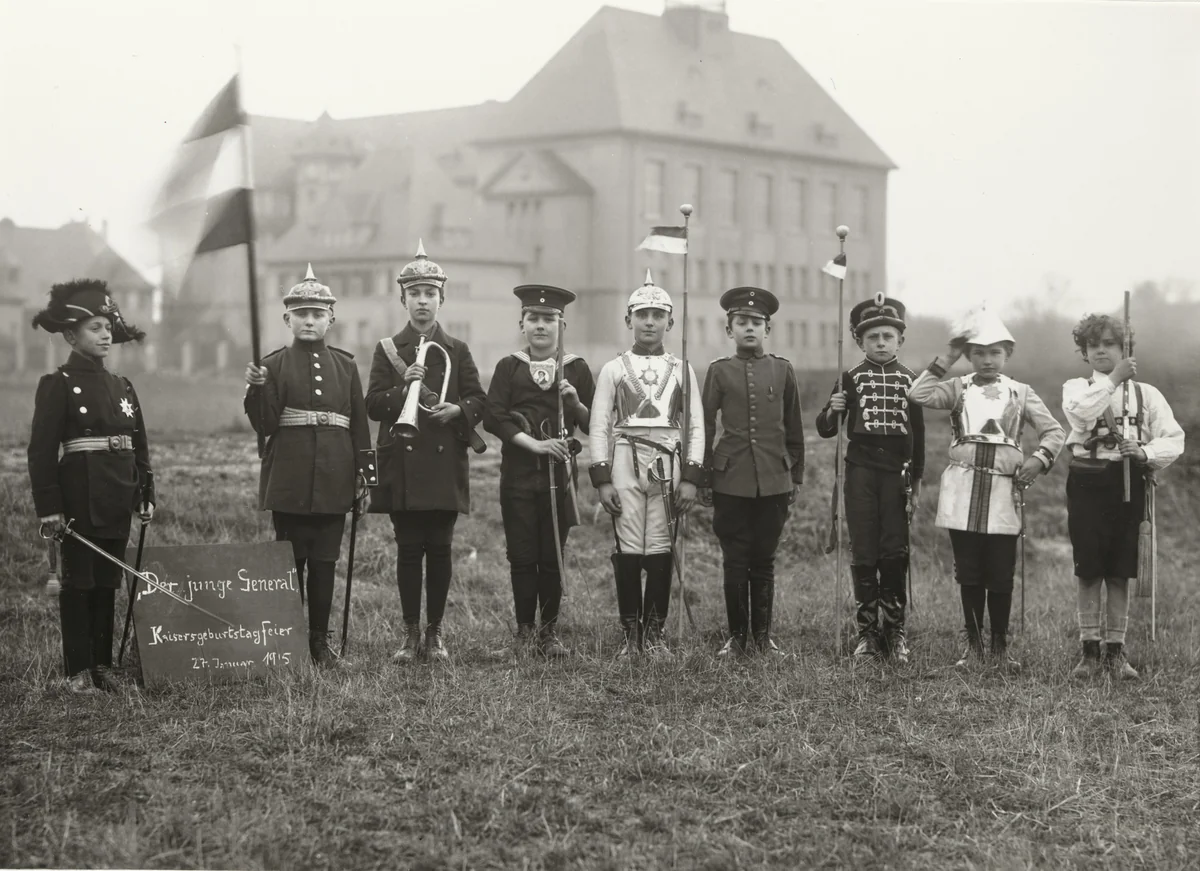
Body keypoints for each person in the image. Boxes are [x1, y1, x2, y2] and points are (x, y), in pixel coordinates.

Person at [908, 307, 1065, 671]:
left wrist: (1038, 459)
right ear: (968, 355)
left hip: (1003, 492)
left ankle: (1000, 647)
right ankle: (973, 645)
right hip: (963, 487)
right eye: (978, 351)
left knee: (1000, 570)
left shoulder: (1021, 392)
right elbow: (918, 394)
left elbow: (1054, 432)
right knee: (969, 570)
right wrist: (947, 356)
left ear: (1007, 354)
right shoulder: (957, 387)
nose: (987, 359)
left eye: (995, 351)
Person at [28, 279, 155, 693]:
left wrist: (145, 494)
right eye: (95, 328)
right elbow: (41, 451)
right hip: (79, 495)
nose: (105, 335)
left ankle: (103, 667)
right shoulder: (58, 384)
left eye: (107, 327)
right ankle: (78, 670)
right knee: (78, 582)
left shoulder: (123, 386)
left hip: (118, 493)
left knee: (107, 582)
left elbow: (140, 445)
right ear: (70, 335)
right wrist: (49, 506)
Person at [244, 265, 372, 668]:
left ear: (331, 319)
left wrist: (364, 477)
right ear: (287, 319)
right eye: (302, 314)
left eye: (318, 314)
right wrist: (256, 390)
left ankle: (320, 645)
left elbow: (359, 425)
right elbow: (265, 425)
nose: (310, 321)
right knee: (291, 564)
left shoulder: (346, 366)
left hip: (336, 476)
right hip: (291, 478)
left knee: (324, 563)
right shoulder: (272, 366)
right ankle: (289, 644)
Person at [366, 241, 487, 663]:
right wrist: (404, 388)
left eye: (430, 294)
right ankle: (409, 634)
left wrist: (458, 410)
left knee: (439, 550)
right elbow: (372, 404)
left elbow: (478, 398)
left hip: (443, 463)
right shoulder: (387, 350)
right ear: (403, 299)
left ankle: (435, 634)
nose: (423, 301)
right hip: (402, 461)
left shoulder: (458, 350)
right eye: (415, 293)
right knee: (407, 550)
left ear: (441, 299)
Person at [1061, 313, 1184, 680]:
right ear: (1084, 351)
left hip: (1129, 483)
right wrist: (1114, 379)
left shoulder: (1148, 394)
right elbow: (1081, 417)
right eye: (1093, 345)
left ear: (1125, 347)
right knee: (1089, 570)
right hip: (1087, 483)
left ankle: (1116, 652)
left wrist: (1144, 452)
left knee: (1119, 570)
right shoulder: (1075, 387)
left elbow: (1173, 439)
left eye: (1110, 344)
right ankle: (1088, 652)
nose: (1101, 350)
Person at [589, 270, 704, 657]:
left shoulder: (683, 368)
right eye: (642, 315)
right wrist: (602, 479)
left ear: (670, 321)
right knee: (627, 546)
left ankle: (654, 635)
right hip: (625, 459)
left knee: (659, 546)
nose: (650, 322)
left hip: (668, 462)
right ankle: (629, 634)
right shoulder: (613, 369)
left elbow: (696, 426)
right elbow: (599, 425)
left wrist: (690, 476)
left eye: (658, 315)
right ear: (628, 321)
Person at [483, 285, 594, 657]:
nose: (541, 326)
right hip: (518, 475)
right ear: (522, 323)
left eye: (550, 319)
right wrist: (533, 445)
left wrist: (575, 403)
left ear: (562, 324)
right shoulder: (508, 366)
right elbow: (493, 417)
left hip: (560, 479)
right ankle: (524, 633)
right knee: (522, 554)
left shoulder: (575, 368)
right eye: (534, 318)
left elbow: (595, 424)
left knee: (552, 554)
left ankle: (549, 634)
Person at [815, 294, 925, 663]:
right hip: (860, 473)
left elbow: (920, 438)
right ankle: (867, 633)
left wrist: (918, 483)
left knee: (894, 551)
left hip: (897, 476)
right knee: (864, 550)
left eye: (887, 336)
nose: (880, 343)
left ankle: (894, 632)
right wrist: (834, 409)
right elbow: (826, 429)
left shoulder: (912, 381)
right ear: (860, 341)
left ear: (900, 340)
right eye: (873, 336)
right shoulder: (849, 378)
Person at [701, 286, 804, 656]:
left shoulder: (783, 369)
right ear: (729, 330)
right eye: (741, 322)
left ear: (768, 329)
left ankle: (762, 638)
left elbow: (794, 428)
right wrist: (703, 476)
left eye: (756, 322)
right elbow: (706, 428)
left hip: (774, 480)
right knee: (735, 559)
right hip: (730, 479)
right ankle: (736, 637)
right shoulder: (718, 372)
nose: (749, 328)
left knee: (764, 559)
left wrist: (796, 475)